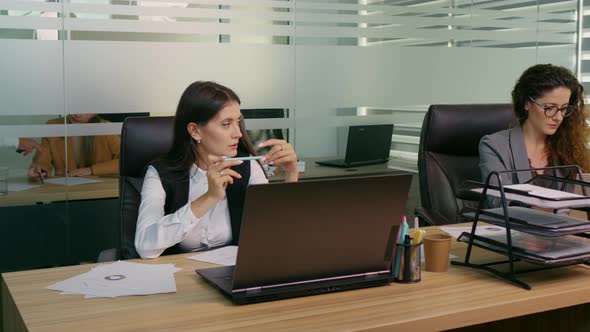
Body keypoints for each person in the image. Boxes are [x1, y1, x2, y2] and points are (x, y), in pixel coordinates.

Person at [135, 81, 298, 259]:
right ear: (195, 131)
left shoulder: (248, 167)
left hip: (232, 274)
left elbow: (277, 234)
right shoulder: (161, 173)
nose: (238, 133)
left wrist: (291, 175)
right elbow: (145, 247)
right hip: (179, 278)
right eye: (226, 124)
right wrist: (209, 197)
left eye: (238, 122)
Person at [479, 64, 590, 190]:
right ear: (527, 103)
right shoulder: (494, 145)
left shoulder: (570, 148)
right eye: (550, 107)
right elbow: (497, 201)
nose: (558, 117)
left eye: (564, 108)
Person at [28, 114, 121, 180]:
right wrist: (39, 169)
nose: (76, 114)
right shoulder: (53, 126)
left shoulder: (106, 129)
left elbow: (128, 161)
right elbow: (43, 159)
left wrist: (91, 170)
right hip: (66, 194)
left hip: (100, 192)